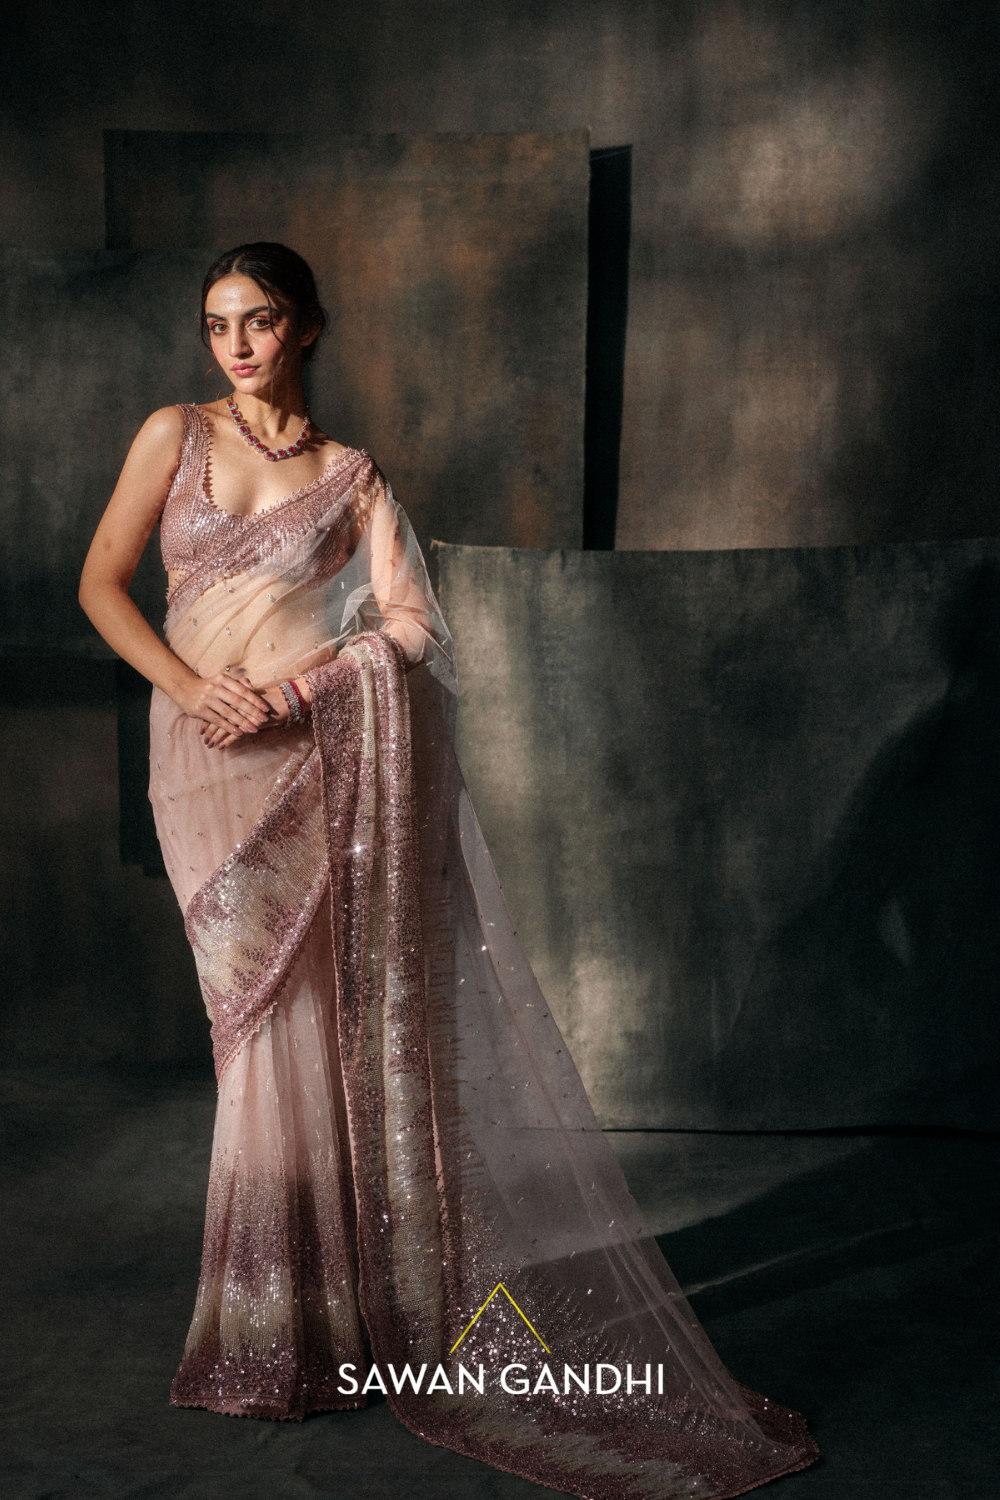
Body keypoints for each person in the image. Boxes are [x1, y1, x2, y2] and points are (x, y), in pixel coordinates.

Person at [79, 242, 818, 1497]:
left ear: (308, 327)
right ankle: (272, 1320)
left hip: (313, 756)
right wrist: (198, 690)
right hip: (202, 758)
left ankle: (327, 1321)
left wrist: (306, 688)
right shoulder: (175, 435)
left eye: (260, 320)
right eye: (217, 324)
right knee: (255, 1026)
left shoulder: (352, 476)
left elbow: (414, 624)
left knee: (326, 1025)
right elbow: (101, 585)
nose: (237, 344)